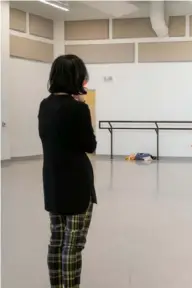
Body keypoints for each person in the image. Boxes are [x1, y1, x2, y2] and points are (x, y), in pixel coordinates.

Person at [38, 54, 97, 288]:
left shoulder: (45, 105)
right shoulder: (77, 109)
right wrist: (84, 109)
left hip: (52, 179)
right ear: (76, 77)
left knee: (57, 240)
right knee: (73, 244)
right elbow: (89, 146)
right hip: (76, 183)